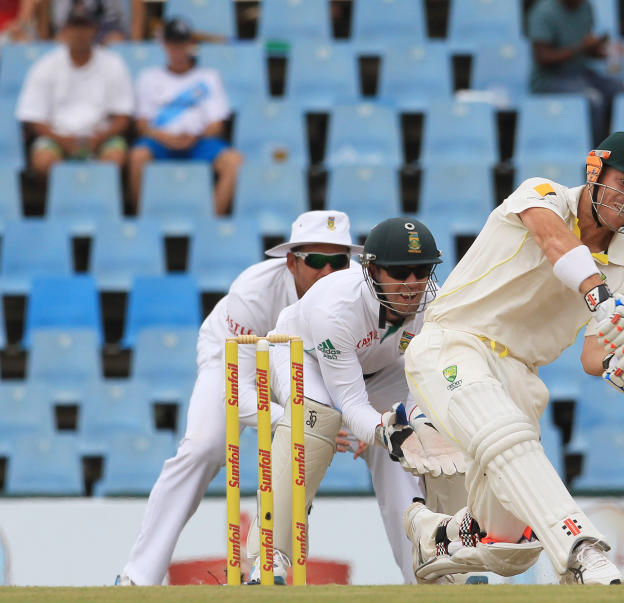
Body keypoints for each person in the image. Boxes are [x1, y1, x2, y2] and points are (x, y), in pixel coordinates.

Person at [401, 131, 624, 584]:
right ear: (595, 170)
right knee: (503, 434)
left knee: (508, 545)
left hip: (519, 374)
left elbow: (592, 356)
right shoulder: (542, 195)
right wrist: (598, 295)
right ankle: (582, 548)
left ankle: (437, 535)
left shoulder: (621, 274)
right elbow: (554, 242)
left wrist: (620, 364)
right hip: (454, 341)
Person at [117, 211, 363, 586]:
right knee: (203, 448)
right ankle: (138, 576)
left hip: (302, 364)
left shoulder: (361, 289)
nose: (327, 272)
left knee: (315, 443)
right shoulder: (253, 290)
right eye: (316, 261)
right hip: (232, 360)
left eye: (338, 261)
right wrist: (300, 420)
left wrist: (359, 421)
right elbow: (240, 391)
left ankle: (271, 563)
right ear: (292, 261)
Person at [242, 217, 456, 585]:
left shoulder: (435, 307)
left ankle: (431, 570)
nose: (411, 285)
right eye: (398, 272)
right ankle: (270, 554)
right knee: (316, 420)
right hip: (302, 354)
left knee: (421, 441)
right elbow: (350, 403)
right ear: (371, 270)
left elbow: (421, 384)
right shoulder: (335, 310)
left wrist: (402, 428)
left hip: (385, 371)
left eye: (421, 271)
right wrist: (378, 428)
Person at [128, 17, 242, 215]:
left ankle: (212, 221)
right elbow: (141, 124)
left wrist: (194, 137)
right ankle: (141, 218)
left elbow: (217, 124)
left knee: (234, 161)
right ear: (164, 44)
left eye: (182, 43)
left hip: (198, 142)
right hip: (160, 142)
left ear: (191, 44)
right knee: (138, 156)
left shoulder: (209, 77)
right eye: (173, 43)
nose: (177, 49)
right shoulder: (149, 77)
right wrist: (165, 137)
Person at [15, 4, 132, 177]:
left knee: (114, 157)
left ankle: (101, 201)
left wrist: (101, 137)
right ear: (65, 30)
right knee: (43, 160)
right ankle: (55, 203)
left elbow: (123, 115)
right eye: (74, 26)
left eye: (84, 26)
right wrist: (62, 140)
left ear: (94, 29)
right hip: (58, 135)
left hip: (101, 136)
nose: (79, 33)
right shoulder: (46, 65)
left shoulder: (113, 63)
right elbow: (33, 117)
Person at [527, 0, 624, 144]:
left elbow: (588, 51)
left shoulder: (586, 7)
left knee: (622, 92)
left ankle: (623, 152)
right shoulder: (543, 11)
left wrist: (605, 50)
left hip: (582, 73)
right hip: (549, 79)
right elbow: (542, 57)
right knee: (594, 99)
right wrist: (581, 48)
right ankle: (597, 156)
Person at [49, 0, 128, 44]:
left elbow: (115, 16)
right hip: (73, 26)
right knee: (60, 41)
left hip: (105, 28)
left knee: (116, 40)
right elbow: (60, 21)